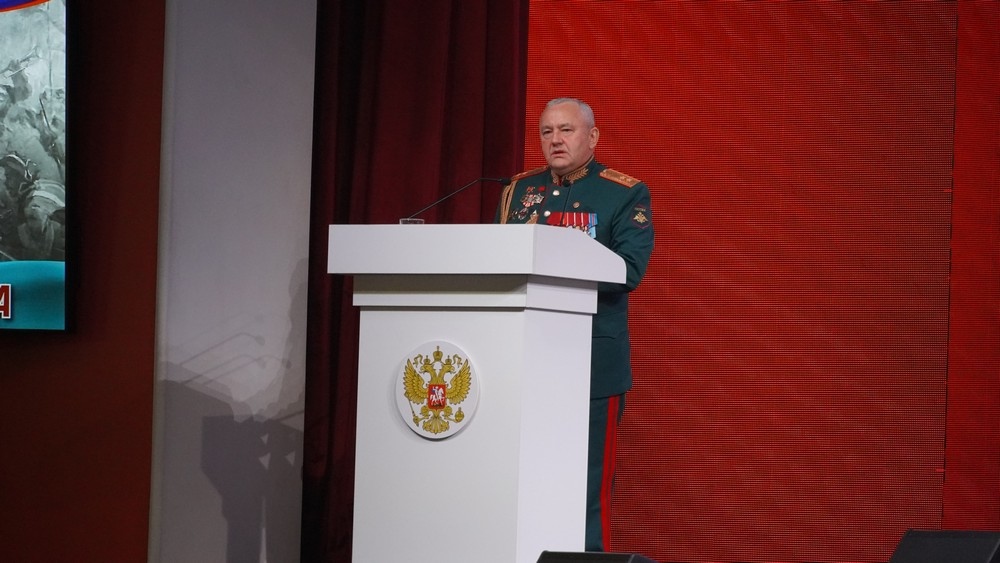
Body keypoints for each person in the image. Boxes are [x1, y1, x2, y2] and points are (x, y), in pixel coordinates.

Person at [496, 98, 654, 551]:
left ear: (592, 136)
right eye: (547, 132)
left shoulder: (622, 193)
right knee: (524, 479)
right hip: (524, 360)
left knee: (588, 488)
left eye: (566, 130)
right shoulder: (518, 191)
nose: (556, 140)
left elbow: (628, 270)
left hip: (591, 364)